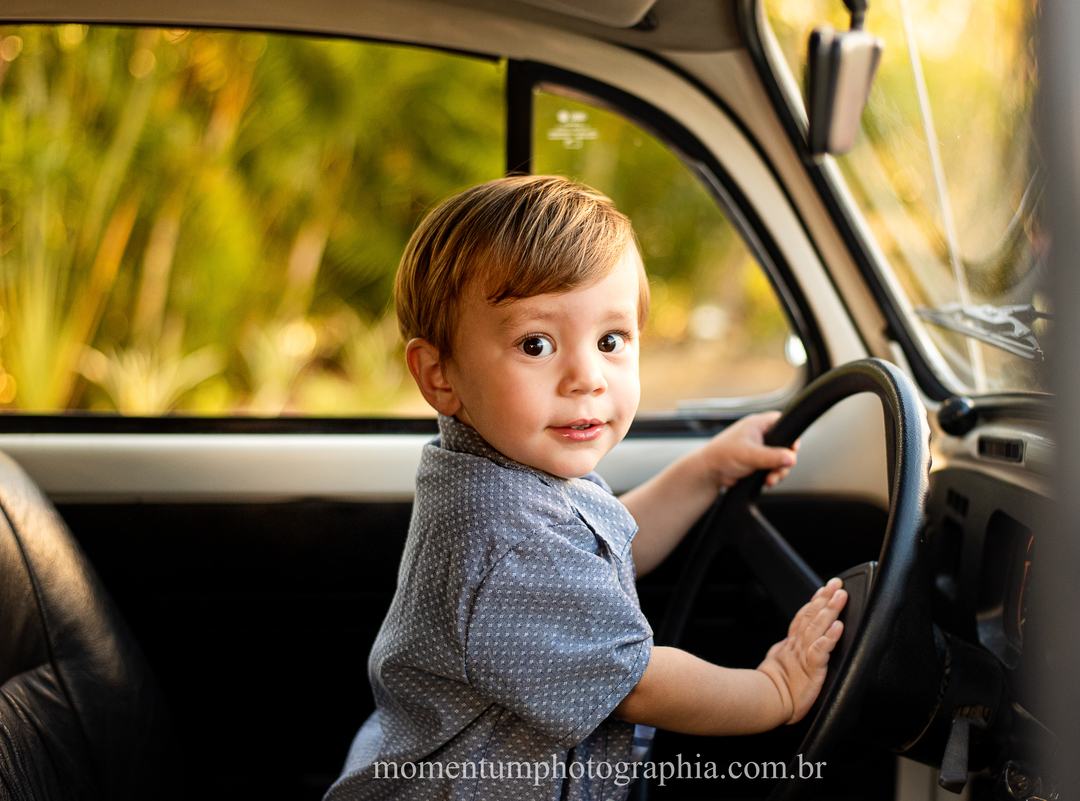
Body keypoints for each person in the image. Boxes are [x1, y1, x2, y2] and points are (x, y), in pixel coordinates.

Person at [325, 175, 847, 801]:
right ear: (440, 375)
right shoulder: (508, 538)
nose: (587, 377)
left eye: (611, 340)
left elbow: (606, 547)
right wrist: (775, 693)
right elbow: (637, 685)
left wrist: (706, 469)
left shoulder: (507, 473)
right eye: (536, 344)